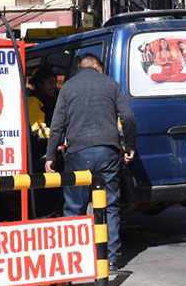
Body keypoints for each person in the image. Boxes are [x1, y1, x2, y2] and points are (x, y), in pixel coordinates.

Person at [44, 54, 136, 269]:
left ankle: (73, 259)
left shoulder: (67, 88)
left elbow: (57, 124)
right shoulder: (111, 84)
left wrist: (50, 157)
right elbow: (128, 117)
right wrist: (129, 145)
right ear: (96, 66)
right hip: (108, 152)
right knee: (109, 205)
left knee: (74, 205)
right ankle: (112, 257)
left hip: (78, 153)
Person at [25, 67, 61, 217]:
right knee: (43, 190)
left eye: (55, 83)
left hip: (53, 149)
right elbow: (37, 128)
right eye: (50, 83)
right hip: (40, 152)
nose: (54, 86)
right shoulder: (34, 100)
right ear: (40, 84)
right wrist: (56, 138)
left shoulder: (53, 99)